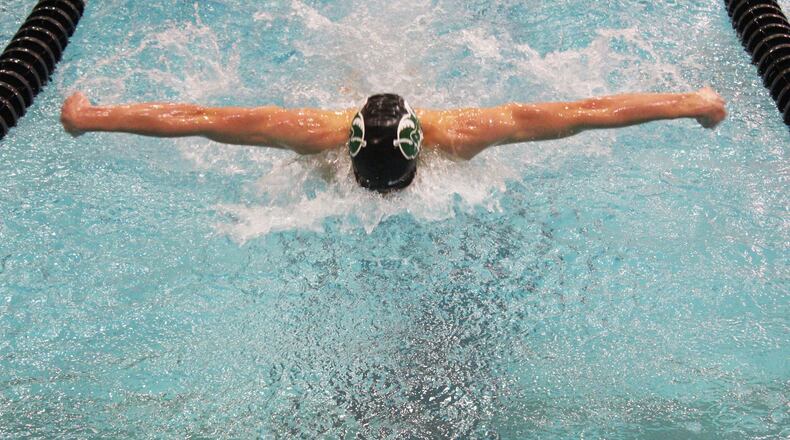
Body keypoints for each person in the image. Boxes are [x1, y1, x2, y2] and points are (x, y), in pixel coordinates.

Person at [60, 87, 726, 191]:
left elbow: (197, 118)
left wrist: (89, 117)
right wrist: (688, 103)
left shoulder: (314, 135)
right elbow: (590, 112)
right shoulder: (461, 135)